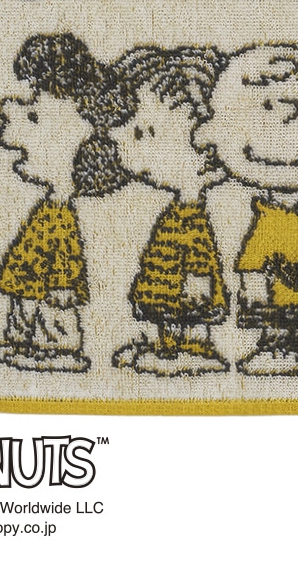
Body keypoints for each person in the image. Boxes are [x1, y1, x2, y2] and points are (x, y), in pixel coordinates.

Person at [193, 44, 298, 375]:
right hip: (280, 288)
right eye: (267, 108)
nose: (287, 118)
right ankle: (277, 345)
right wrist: (253, 290)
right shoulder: (267, 222)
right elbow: (254, 259)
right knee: (279, 320)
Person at [0, 33, 126, 372]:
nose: (9, 112)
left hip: (54, 234)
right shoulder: (46, 213)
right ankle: (21, 339)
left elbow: (63, 273)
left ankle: (59, 344)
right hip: (41, 235)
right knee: (27, 290)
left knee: (57, 293)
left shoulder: (61, 220)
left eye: (35, 116)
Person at [110, 46, 231, 376]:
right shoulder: (176, 214)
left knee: (186, 320)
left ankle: (189, 349)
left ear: (206, 143)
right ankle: (167, 346)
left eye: (145, 132)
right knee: (167, 315)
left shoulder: (192, 219)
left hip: (186, 292)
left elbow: (200, 259)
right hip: (163, 286)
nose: (126, 149)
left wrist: (198, 295)